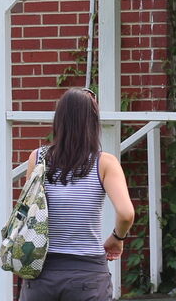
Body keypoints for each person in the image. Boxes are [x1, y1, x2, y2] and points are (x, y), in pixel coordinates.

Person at [22, 87, 136, 301]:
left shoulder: (37, 158)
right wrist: (117, 238)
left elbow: (27, 213)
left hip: (40, 273)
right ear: (93, 122)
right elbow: (126, 213)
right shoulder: (105, 163)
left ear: (59, 120)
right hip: (88, 276)